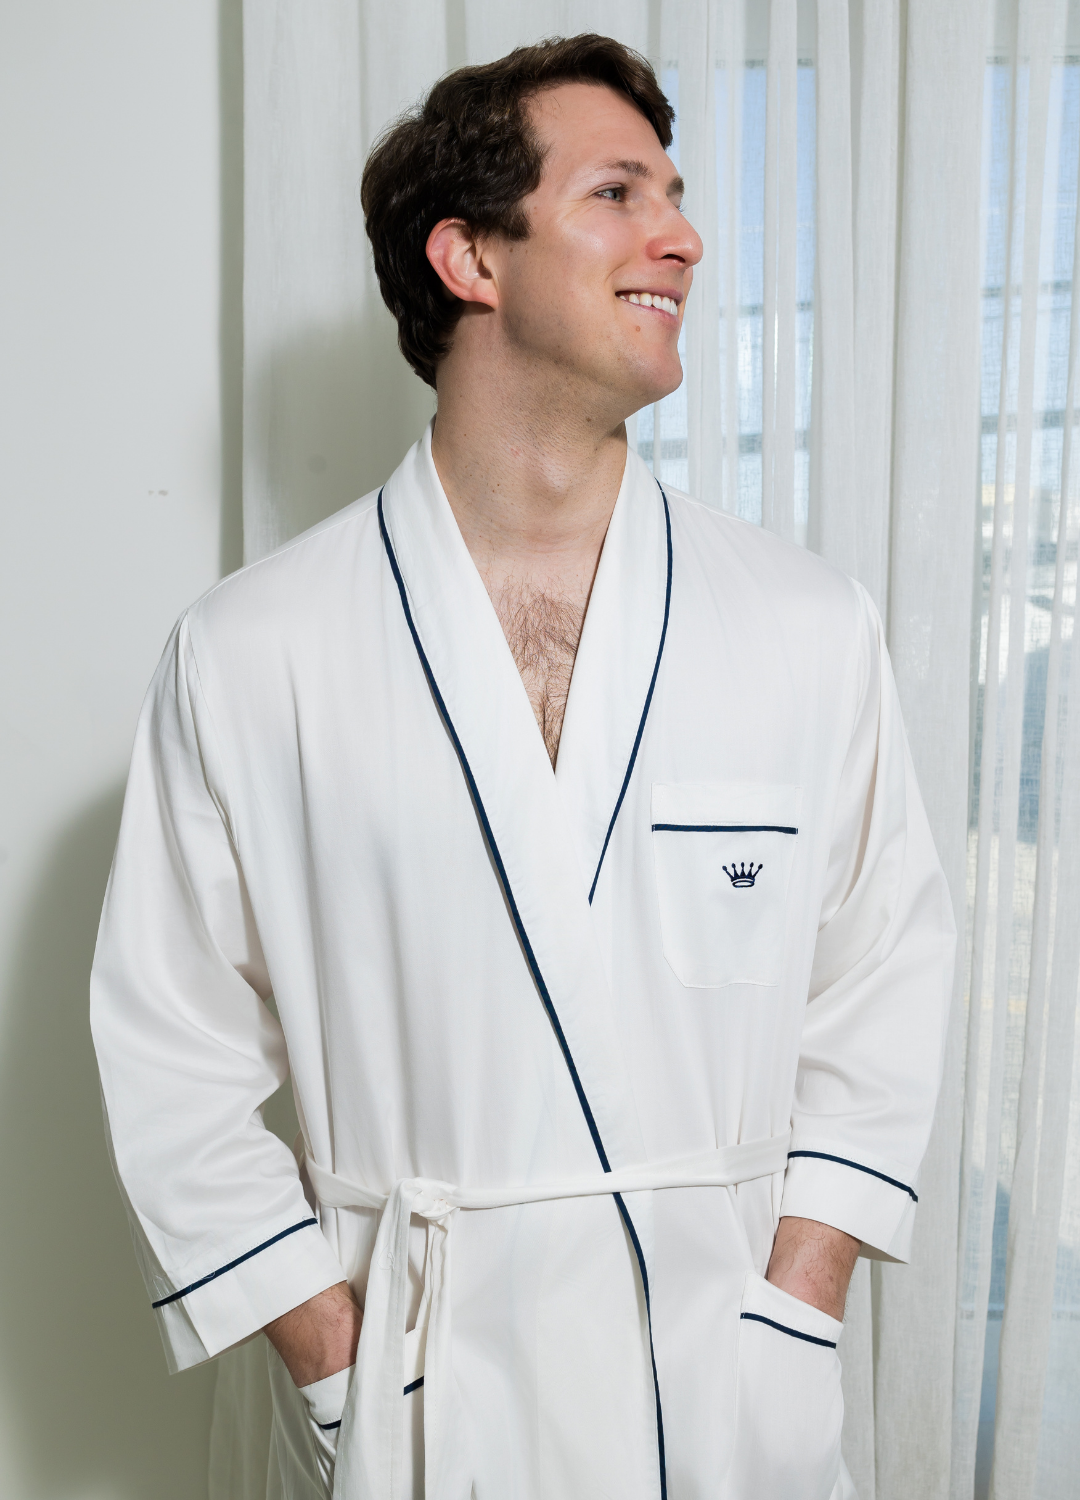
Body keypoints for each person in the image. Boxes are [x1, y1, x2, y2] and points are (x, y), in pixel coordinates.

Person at [90, 33, 955, 1500]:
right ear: (471, 258)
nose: (683, 237)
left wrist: (796, 1308)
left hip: (716, 1384)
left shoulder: (805, 624)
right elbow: (173, 1057)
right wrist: (334, 1356)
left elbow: (882, 987)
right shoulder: (253, 651)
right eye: (618, 193)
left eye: (677, 195)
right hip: (417, 1394)